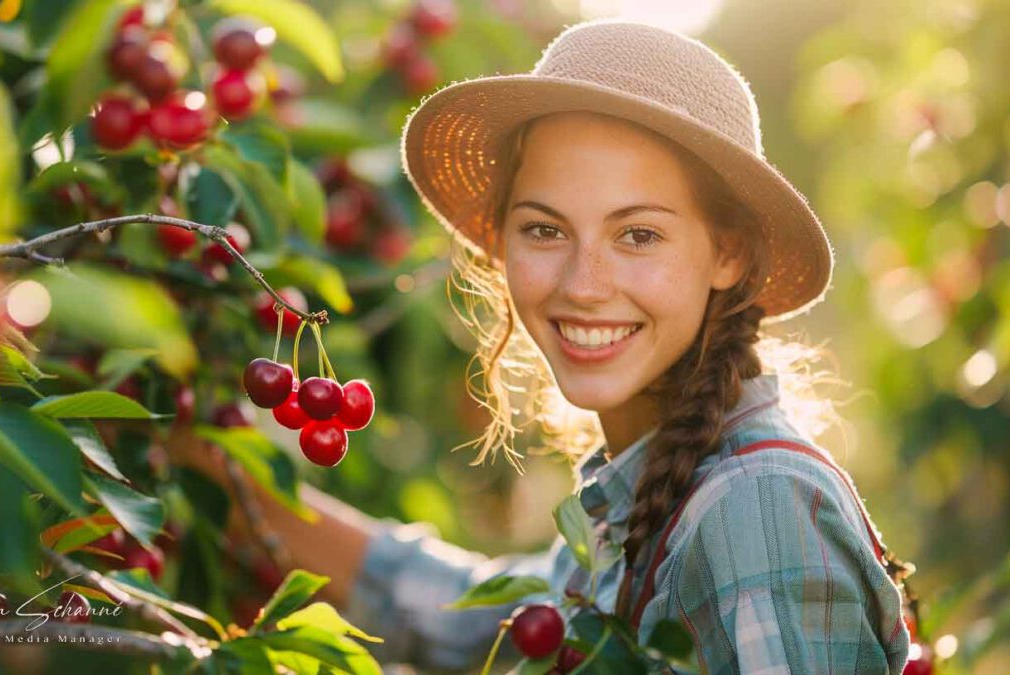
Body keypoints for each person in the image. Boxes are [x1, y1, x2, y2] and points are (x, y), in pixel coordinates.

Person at [170, 19, 912, 674]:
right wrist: (212, 473)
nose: (584, 285)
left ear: (730, 255)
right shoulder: (655, 494)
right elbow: (477, 617)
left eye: (639, 234)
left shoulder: (752, 509)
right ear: (501, 241)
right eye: (545, 229)